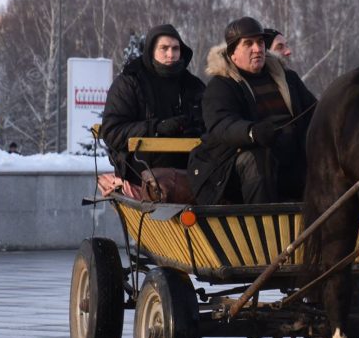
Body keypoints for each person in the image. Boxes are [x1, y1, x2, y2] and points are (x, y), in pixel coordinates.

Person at [189, 16, 316, 204]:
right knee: (257, 158)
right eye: (248, 43)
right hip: (230, 169)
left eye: (260, 42)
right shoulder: (221, 85)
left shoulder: (287, 78)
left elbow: (313, 110)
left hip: (288, 162)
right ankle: (261, 226)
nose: (257, 49)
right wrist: (251, 132)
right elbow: (221, 124)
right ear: (233, 53)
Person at [100, 24, 205, 184]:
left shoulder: (193, 85)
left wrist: (195, 129)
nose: (170, 54)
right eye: (164, 48)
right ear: (151, 51)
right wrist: (155, 128)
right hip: (141, 169)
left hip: (190, 167)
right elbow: (111, 131)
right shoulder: (129, 82)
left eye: (175, 49)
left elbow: (211, 124)